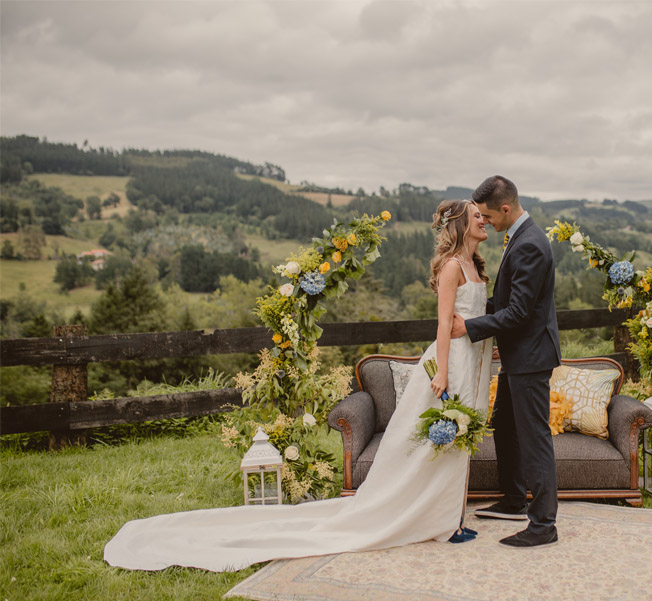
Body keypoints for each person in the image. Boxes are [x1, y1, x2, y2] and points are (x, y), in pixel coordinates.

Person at [104, 199, 493, 572]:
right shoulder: (452, 268)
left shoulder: (475, 266)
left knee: (457, 441)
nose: (484, 220)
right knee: (440, 440)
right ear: (460, 224)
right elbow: (443, 324)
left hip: (471, 363)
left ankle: (450, 517)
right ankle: (438, 520)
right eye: (477, 215)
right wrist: (441, 372)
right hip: (450, 364)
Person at [450, 175, 562, 549]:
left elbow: (517, 313)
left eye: (487, 215)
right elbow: (509, 301)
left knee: (534, 439)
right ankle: (514, 498)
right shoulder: (521, 237)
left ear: (505, 209)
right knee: (504, 424)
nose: (485, 222)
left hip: (531, 357)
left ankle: (543, 524)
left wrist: (469, 326)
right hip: (521, 355)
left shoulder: (530, 243)